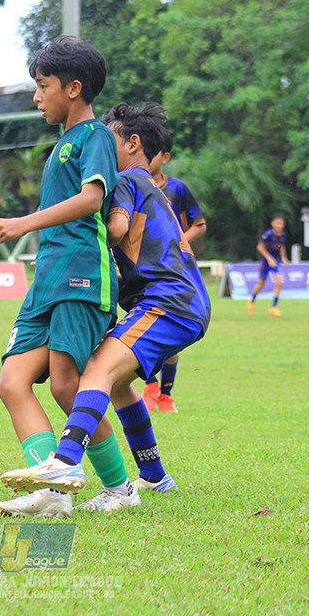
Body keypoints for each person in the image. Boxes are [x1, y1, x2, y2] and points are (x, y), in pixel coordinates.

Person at [0, 102, 211, 500]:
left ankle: (64, 461)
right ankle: (154, 476)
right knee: (115, 384)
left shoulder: (129, 176)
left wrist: (78, 241)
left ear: (132, 143)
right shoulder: (150, 183)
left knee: (96, 368)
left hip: (167, 302)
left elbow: (115, 228)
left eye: (108, 141)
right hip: (182, 303)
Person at [0, 36, 138, 518]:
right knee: (12, 381)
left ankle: (119, 488)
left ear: (73, 88)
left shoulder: (95, 138)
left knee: (68, 387)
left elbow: (93, 200)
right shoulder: (62, 145)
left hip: (81, 278)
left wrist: (24, 223)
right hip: (47, 282)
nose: (36, 95)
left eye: (42, 85)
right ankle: (51, 492)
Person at [141, 129, 207, 414]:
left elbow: (199, 224)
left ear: (164, 156)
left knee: (170, 338)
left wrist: (177, 242)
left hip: (172, 268)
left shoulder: (177, 189)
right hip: (141, 269)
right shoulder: (132, 185)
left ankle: (164, 394)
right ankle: (150, 386)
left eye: (151, 152)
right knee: (140, 327)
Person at [247, 213, 289, 317]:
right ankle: (251, 299)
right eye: (277, 223)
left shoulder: (282, 235)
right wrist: (269, 259)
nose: (279, 225)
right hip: (266, 263)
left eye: (281, 223)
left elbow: (281, 246)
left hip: (276, 262)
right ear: (272, 224)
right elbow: (260, 247)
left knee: (279, 282)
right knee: (261, 284)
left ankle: (273, 307)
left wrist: (284, 257)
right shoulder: (268, 235)